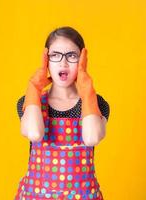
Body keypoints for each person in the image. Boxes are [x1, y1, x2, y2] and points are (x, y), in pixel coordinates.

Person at [15, 26, 110, 200]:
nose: (63, 63)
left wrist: (87, 91)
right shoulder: (29, 103)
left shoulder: (97, 104)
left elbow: (91, 138)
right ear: (46, 60)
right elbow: (35, 134)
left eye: (72, 56)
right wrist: (34, 87)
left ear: (82, 60)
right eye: (55, 55)